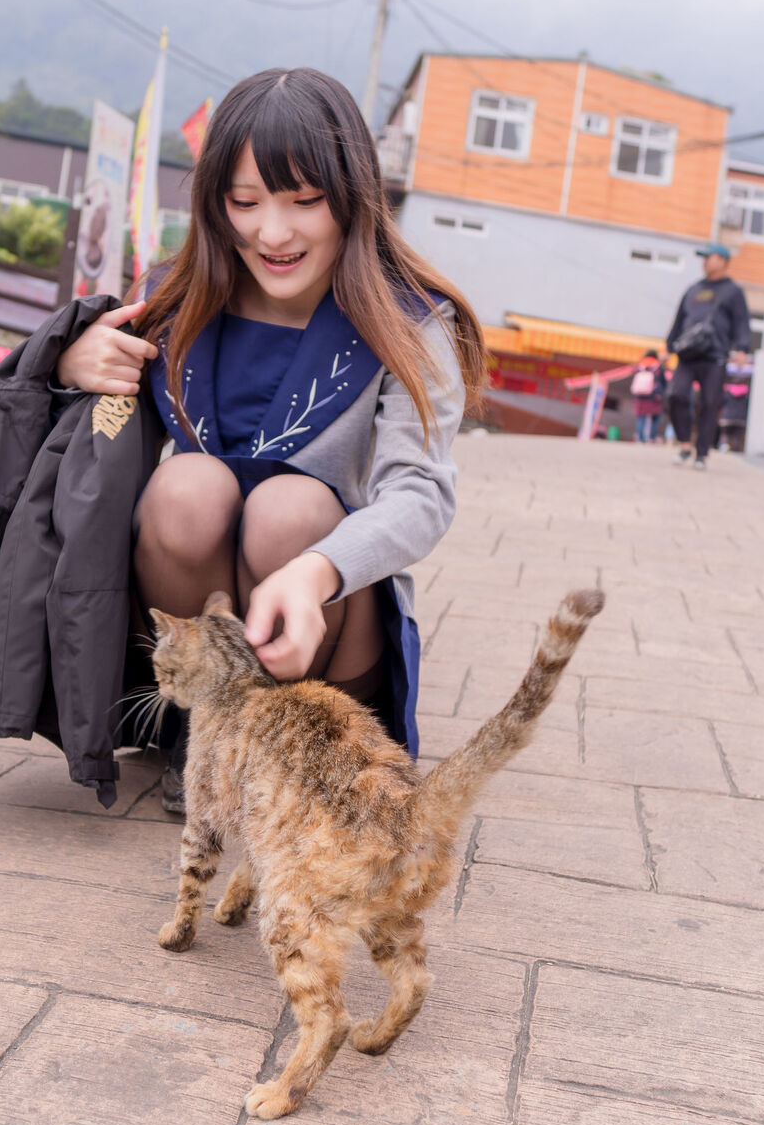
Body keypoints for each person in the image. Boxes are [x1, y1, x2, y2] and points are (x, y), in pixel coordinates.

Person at [54, 67, 487, 812]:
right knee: (188, 486)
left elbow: (420, 493)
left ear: (353, 197)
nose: (273, 233)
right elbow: (74, 436)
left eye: (305, 202)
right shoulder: (173, 299)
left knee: (289, 508)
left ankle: (302, 742)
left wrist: (321, 568)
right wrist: (73, 359)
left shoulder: (414, 321)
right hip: (195, 620)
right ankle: (205, 732)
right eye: (244, 203)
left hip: (328, 623)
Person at [666, 243, 752, 469]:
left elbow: (741, 321)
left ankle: (701, 453)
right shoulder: (693, 289)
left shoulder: (733, 291)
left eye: (709, 257)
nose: (705, 262)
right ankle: (685, 444)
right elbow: (679, 320)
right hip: (688, 354)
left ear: (723, 261)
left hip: (715, 356)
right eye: (704, 258)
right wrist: (669, 347)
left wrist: (742, 348)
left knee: (709, 404)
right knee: (677, 395)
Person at [718, 354, 753, 452]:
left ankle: (726, 447)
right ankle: (734, 448)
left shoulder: (727, 389)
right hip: (737, 414)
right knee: (735, 434)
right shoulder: (746, 391)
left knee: (728, 433)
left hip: (730, 413)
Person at [630, 349, 666, 443]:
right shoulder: (658, 367)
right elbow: (663, 382)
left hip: (640, 395)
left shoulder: (640, 366)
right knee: (655, 417)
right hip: (654, 396)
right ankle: (652, 436)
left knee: (641, 417)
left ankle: (640, 438)